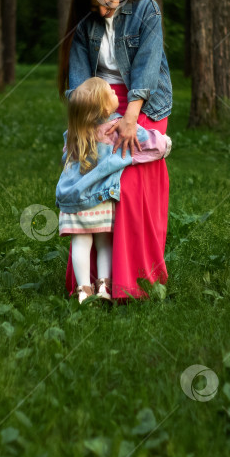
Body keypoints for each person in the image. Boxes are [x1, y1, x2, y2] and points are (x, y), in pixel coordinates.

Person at [57, 0, 172, 302]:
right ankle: (91, 282)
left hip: (145, 101)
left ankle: (135, 280)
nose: (103, 12)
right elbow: (79, 84)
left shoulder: (146, 10)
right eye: (94, 7)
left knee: (131, 185)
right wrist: (93, 124)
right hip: (99, 104)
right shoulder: (84, 26)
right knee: (95, 175)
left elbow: (148, 67)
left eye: (108, 3)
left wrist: (130, 119)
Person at [55, 77, 172, 304]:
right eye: (110, 91)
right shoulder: (114, 128)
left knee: (80, 242)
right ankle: (104, 287)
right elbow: (150, 143)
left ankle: (82, 290)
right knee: (104, 242)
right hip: (100, 199)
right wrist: (165, 143)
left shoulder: (74, 133)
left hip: (74, 200)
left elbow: (65, 157)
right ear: (103, 106)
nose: (114, 91)